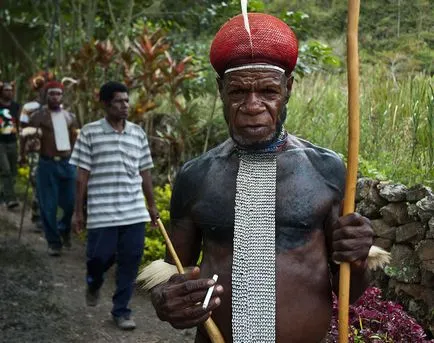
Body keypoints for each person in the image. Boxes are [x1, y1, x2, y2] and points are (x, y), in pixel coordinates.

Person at [139, 13, 386, 343]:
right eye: (238, 91)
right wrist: (164, 299)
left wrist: (356, 259)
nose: (252, 106)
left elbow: (350, 294)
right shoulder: (196, 176)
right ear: (220, 91)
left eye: (268, 91)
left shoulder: (325, 170)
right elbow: (175, 275)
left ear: (288, 89)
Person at [70, 81, 159, 330]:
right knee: (99, 258)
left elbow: (145, 172)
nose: (125, 105)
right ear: (106, 103)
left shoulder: (137, 133)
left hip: (133, 211)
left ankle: (122, 311)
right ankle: (93, 281)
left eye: (127, 101)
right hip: (102, 212)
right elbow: (82, 175)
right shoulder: (89, 132)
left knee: (130, 261)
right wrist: (78, 211)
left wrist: (151, 206)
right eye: (119, 101)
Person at [24, 80, 78, 256]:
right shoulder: (38, 116)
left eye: (58, 94)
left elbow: (74, 139)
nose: (55, 97)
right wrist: (25, 151)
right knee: (49, 205)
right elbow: (26, 137)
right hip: (47, 163)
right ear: (46, 96)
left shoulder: (70, 117)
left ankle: (64, 228)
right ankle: (54, 242)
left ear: (62, 96)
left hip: (67, 163)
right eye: (51, 94)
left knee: (70, 203)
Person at [19, 74, 48, 231]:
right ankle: (37, 215)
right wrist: (21, 153)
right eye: (42, 88)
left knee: (46, 183)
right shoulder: (28, 108)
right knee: (37, 182)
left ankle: (45, 215)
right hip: (34, 150)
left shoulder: (56, 109)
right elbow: (22, 132)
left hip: (50, 151)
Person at [0, 81, 21, 209]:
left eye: (11, 90)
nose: (9, 92)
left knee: (13, 172)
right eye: (6, 90)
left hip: (12, 141)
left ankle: (4, 193)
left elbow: (18, 122)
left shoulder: (16, 106)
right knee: (6, 170)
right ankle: (10, 199)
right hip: (0, 142)